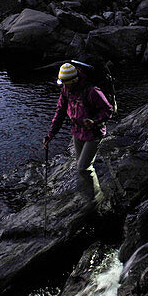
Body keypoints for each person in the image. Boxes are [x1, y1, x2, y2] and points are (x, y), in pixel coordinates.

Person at [43, 62, 114, 205]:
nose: (64, 86)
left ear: (74, 81)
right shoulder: (66, 90)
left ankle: (97, 199)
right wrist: (51, 134)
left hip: (94, 133)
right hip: (77, 132)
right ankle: (89, 193)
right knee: (80, 166)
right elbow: (60, 112)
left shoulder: (92, 91)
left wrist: (94, 121)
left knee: (84, 167)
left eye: (66, 83)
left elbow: (108, 110)